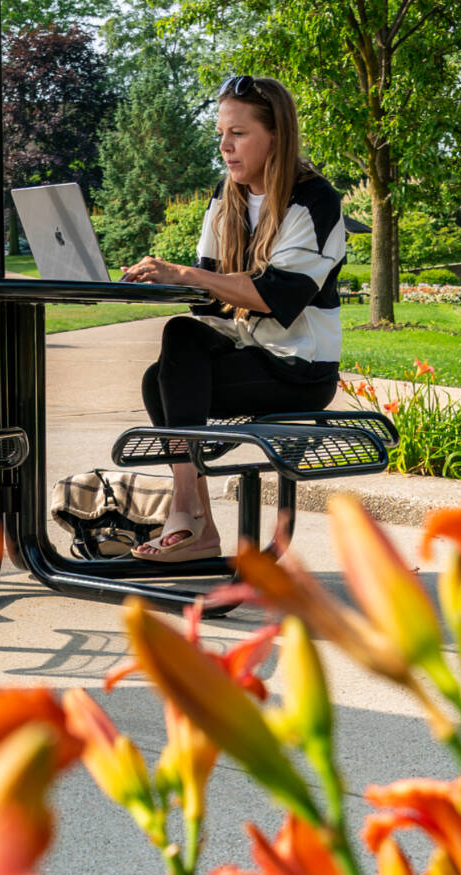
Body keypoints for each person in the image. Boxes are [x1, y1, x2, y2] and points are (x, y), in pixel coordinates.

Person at [120, 74, 346, 561]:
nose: (224, 146)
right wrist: (163, 280)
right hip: (249, 350)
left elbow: (277, 297)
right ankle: (194, 519)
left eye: (238, 133)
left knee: (163, 381)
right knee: (172, 351)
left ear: (276, 137)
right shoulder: (226, 199)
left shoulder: (314, 200)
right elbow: (208, 301)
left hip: (298, 369)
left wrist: (186, 275)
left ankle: (190, 519)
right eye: (221, 134)